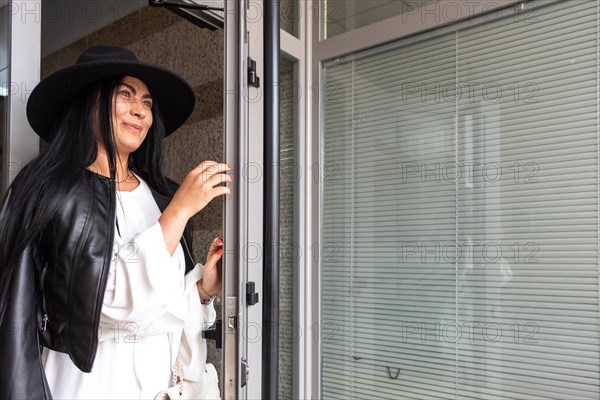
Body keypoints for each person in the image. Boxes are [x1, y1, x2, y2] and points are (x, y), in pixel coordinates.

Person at [0, 45, 231, 399]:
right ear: (89, 101)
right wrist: (180, 212)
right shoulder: (52, 192)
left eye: (148, 103)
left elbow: (159, 309)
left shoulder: (160, 194)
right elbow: (103, 302)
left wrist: (201, 292)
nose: (140, 110)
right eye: (125, 95)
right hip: (87, 387)